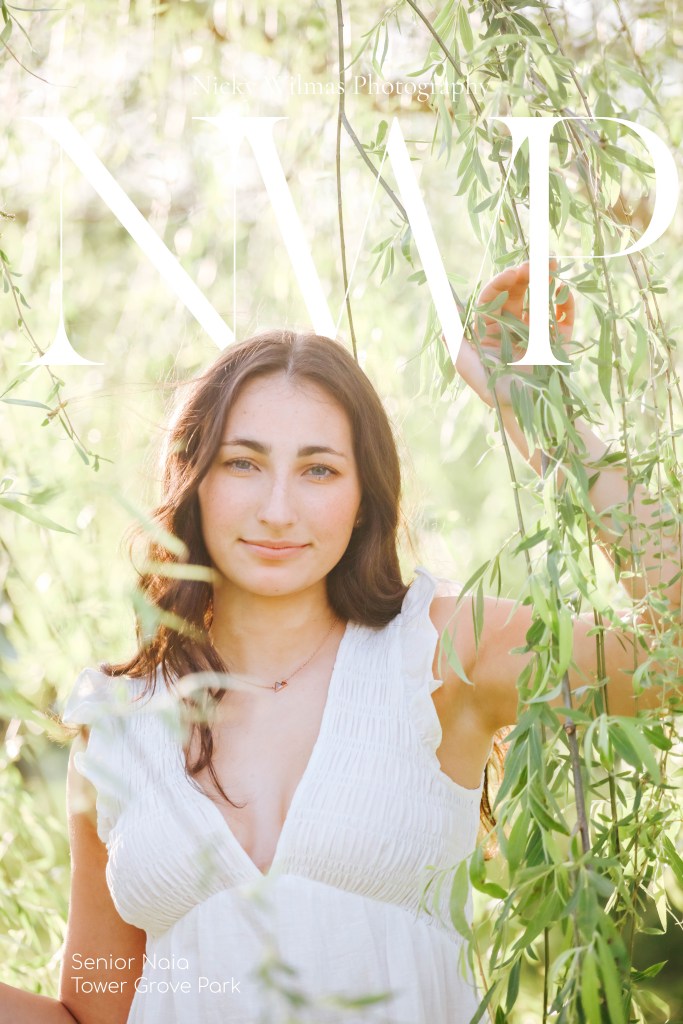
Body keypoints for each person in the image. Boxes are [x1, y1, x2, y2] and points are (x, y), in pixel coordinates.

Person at [0, 264, 679, 1024]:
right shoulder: (116, 725)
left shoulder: (441, 655)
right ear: (194, 480)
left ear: (363, 499)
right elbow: (93, 1012)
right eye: (243, 463)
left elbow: (673, 655)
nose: (278, 509)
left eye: (319, 470)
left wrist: (538, 410)